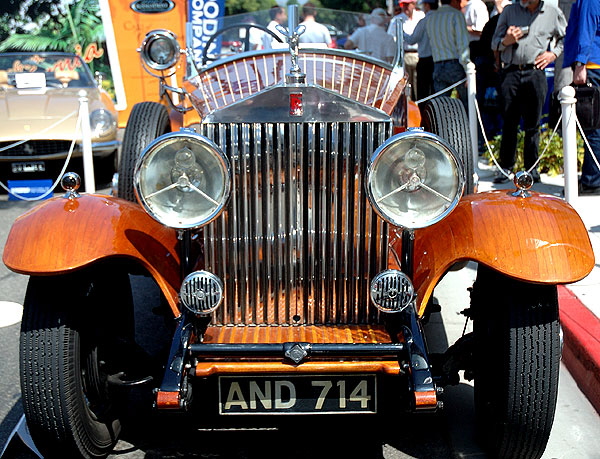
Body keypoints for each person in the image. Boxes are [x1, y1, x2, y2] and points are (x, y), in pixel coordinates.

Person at [491, 0, 567, 184]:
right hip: (511, 71)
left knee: (533, 123)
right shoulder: (509, 11)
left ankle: (532, 169)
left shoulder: (552, 12)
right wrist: (505, 41)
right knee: (509, 121)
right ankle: (505, 167)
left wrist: (553, 54)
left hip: (536, 72)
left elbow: (566, 37)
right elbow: (494, 43)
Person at [563, 0, 600, 194]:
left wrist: (580, 63)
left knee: (592, 125)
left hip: (592, 64)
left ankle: (592, 179)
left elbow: (587, 27)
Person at [425, 0, 470, 108]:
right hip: (455, 64)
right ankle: (469, 125)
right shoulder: (456, 15)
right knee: (467, 104)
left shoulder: (431, 18)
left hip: (437, 64)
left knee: (441, 108)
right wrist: (468, 68)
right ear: (453, 1)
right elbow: (462, 45)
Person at [389, 0, 425, 100]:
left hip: (420, 54)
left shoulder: (421, 17)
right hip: (405, 54)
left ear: (413, 4)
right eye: (402, 5)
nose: (405, 7)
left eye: (407, 5)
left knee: (420, 83)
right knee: (406, 83)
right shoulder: (396, 20)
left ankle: (419, 106)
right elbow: (391, 38)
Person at [403, 0, 439, 101]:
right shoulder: (441, 19)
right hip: (439, 59)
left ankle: (423, 113)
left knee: (423, 91)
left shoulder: (424, 21)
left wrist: (402, 33)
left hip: (425, 60)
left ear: (427, 5)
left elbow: (412, 39)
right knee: (436, 90)